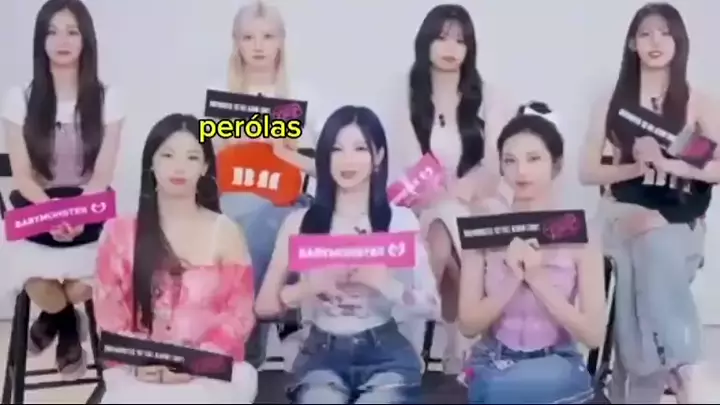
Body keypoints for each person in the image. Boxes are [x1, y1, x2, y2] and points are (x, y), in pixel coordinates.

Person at [578, 3, 719, 403]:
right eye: (645, 33)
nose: (655, 41)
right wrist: (637, 168)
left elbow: (716, 168)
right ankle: (684, 365)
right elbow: (587, 172)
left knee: (653, 245)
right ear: (632, 43)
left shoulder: (698, 103)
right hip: (621, 210)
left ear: (679, 42)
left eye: (665, 33)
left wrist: (668, 163)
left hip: (678, 216)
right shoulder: (612, 101)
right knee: (641, 243)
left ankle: (642, 380)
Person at [255, 105, 440, 404]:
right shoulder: (300, 222)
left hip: (385, 355)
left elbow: (433, 306)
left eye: (360, 148)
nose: (347, 160)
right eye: (337, 149)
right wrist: (308, 287)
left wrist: (385, 284)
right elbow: (264, 307)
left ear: (378, 156)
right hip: (321, 357)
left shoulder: (400, 220)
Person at [93, 114, 258, 404]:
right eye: (168, 155)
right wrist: (142, 361)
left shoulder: (226, 231)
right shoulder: (119, 232)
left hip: (210, 369)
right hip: (138, 370)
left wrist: (194, 363)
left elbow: (240, 315)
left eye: (192, 157)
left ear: (205, 166)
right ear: (151, 162)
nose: (179, 167)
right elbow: (109, 315)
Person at [1, 0, 124, 378]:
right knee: (37, 284)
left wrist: (75, 214)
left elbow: (102, 174)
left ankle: (54, 320)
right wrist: (53, 215)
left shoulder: (108, 97)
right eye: (52, 32)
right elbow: (23, 177)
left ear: (86, 39)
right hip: (36, 209)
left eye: (72, 31)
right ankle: (69, 326)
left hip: (89, 209)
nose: (63, 41)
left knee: (83, 284)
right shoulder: (20, 97)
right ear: (41, 40)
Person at [387, 3, 512, 372]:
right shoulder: (405, 92)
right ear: (425, 41)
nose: (450, 48)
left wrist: (461, 194)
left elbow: (495, 164)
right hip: (421, 203)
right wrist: (446, 200)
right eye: (442, 38)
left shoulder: (489, 95)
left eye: (460, 40)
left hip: (478, 202)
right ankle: (463, 353)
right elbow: (412, 164)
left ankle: (409, 347)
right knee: (442, 231)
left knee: (444, 234)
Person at [209, 0, 331, 369]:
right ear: (236, 42)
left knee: (274, 220)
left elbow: (331, 166)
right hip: (232, 205)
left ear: (281, 41)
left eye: (268, 36)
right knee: (248, 219)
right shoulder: (220, 94)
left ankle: (248, 334)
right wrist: (235, 137)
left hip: (287, 202)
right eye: (248, 37)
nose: (259, 46)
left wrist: (288, 151)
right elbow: (202, 162)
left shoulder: (304, 95)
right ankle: (284, 319)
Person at [459, 102, 606, 404]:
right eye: (510, 161)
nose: (521, 171)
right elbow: (468, 324)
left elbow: (593, 336)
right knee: (499, 389)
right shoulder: (483, 230)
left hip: (557, 359)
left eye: (534, 159)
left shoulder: (581, 233)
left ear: (556, 164)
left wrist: (537, 279)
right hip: (495, 359)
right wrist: (512, 278)